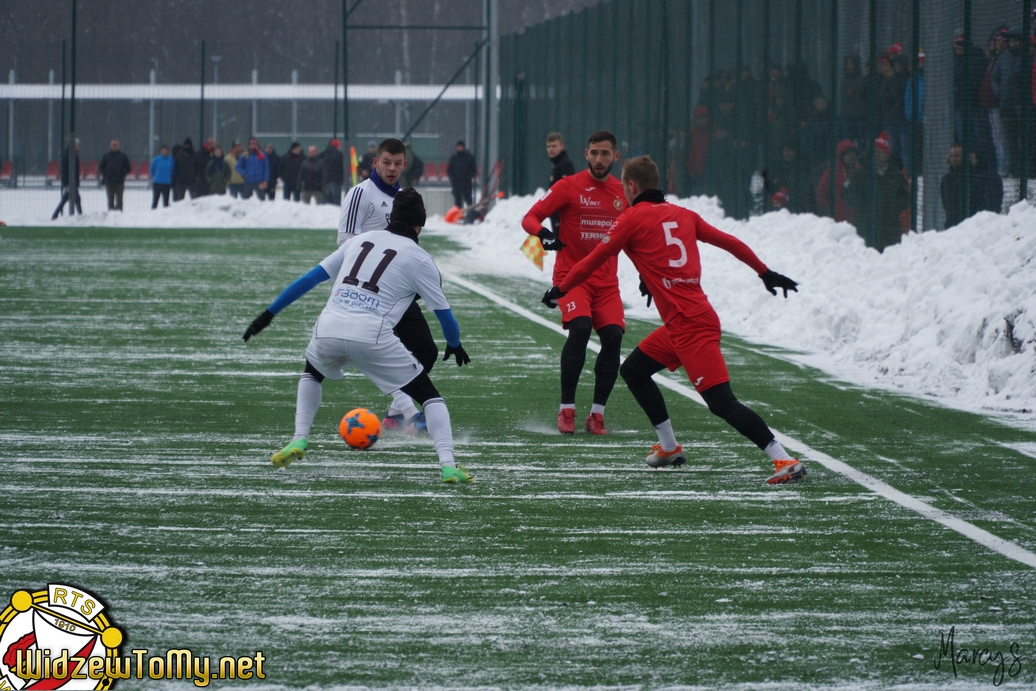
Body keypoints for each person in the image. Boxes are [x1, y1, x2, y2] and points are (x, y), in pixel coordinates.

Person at [542, 155, 804, 485]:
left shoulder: (630, 218)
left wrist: (560, 288)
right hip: (684, 323)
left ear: (632, 186)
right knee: (634, 370)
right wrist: (764, 272)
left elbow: (592, 260)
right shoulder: (684, 215)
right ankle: (669, 447)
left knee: (721, 402)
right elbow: (730, 242)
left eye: (624, 185)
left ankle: (784, 459)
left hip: (692, 326)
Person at [242, 189, 474, 484]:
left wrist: (269, 314)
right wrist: (454, 343)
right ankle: (448, 465)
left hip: (328, 328)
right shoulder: (420, 259)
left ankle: (299, 438)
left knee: (312, 373)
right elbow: (445, 316)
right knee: (430, 397)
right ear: (421, 224)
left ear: (391, 217)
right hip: (371, 334)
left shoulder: (358, 241)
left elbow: (309, 279)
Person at [521, 130, 628, 435]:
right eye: (594, 152)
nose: (599, 159)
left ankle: (597, 415)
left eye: (605, 153)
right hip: (571, 278)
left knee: (613, 337)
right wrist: (544, 234)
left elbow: (639, 235)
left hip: (606, 283)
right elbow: (530, 218)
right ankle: (566, 409)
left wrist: (649, 275)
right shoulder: (568, 185)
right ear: (585, 154)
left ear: (615, 156)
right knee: (580, 327)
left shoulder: (624, 193)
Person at [338, 138, 437, 434]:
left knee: (426, 351)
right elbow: (344, 243)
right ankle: (409, 410)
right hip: (367, 292)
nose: (391, 168)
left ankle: (395, 413)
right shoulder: (361, 193)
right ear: (375, 162)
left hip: (396, 290)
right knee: (380, 350)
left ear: (404, 165)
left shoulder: (404, 197)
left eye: (397, 164)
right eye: (386, 163)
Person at [844, 132, 911, 252]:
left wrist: (895, 207)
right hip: (866, 226)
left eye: (881, 152)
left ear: (887, 154)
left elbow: (906, 197)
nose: (878, 155)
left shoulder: (896, 175)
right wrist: (861, 204)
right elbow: (846, 193)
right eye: (876, 152)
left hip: (890, 227)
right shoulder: (860, 173)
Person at [815, 140, 859, 223]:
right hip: (838, 220)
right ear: (841, 156)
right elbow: (821, 194)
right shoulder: (832, 173)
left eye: (853, 154)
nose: (851, 157)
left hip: (858, 220)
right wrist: (830, 210)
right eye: (848, 154)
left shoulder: (860, 171)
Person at [545, 132, 576, 231]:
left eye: (554, 146)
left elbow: (567, 191)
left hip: (562, 215)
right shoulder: (557, 165)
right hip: (556, 213)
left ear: (562, 146)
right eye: (548, 146)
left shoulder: (565, 165)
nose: (551, 149)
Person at [51, 139, 83, 219]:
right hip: (70, 181)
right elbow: (67, 170)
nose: (79, 147)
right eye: (78, 145)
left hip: (71, 181)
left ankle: (55, 215)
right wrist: (68, 181)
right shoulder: (70, 155)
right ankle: (80, 215)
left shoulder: (70, 154)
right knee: (76, 199)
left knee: (67, 198)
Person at [99, 138, 131, 212]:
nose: (114, 146)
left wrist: (122, 174)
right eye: (113, 144)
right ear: (111, 145)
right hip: (109, 181)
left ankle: (119, 214)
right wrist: (105, 175)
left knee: (119, 201)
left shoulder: (123, 156)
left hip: (119, 182)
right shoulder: (106, 156)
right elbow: (100, 167)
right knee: (110, 201)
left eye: (116, 144)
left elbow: (128, 168)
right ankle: (111, 214)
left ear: (119, 145)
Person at [686, 105, 711, 196]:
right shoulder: (692, 133)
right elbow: (691, 152)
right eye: (698, 118)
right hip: (695, 171)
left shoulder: (712, 132)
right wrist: (691, 169)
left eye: (703, 117)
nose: (700, 120)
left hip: (709, 171)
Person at [446, 140, 477, 208]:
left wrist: (468, 178)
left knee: (469, 200)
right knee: (458, 202)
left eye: (461, 147)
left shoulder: (469, 157)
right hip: (456, 184)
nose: (459, 148)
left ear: (464, 147)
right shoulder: (453, 158)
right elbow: (449, 170)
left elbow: (473, 170)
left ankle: (470, 211)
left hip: (467, 184)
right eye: (458, 147)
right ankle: (458, 213)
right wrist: (453, 179)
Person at [172, 137, 198, 201]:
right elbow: (176, 168)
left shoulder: (194, 155)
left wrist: (196, 176)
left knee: (195, 199)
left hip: (192, 180)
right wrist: (177, 178)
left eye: (188, 145)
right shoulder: (179, 156)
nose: (187, 147)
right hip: (181, 181)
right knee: (179, 200)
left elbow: (197, 167)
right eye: (186, 145)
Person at [149, 144, 174, 209]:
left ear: (168, 151)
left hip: (167, 183)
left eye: (166, 150)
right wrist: (155, 177)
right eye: (163, 150)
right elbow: (152, 169)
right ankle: (153, 212)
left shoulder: (170, 160)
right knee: (155, 200)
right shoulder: (156, 159)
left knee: (166, 201)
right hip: (157, 183)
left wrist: (168, 177)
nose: (164, 151)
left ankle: (165, 213)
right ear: (161, 151)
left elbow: (172, 170)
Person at [321, 139, 345, 204]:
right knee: (336, 202)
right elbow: (342, 167)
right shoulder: (339, 154)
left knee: (327, 202)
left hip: (325, 181)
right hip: (336, 181)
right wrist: (341, 179)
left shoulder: (323, 154)